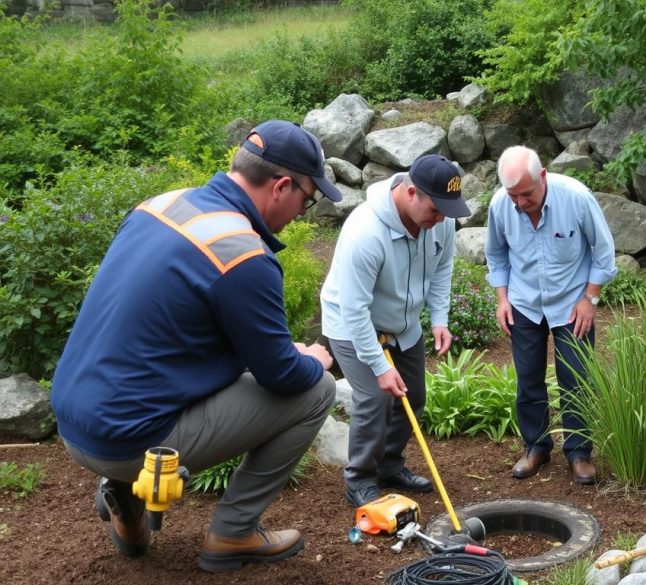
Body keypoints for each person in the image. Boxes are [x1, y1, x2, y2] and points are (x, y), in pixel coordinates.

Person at [50, 120, 342, 572]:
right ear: (282, 186)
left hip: (73, 421)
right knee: (315, 390)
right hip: (128, 442)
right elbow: (280, 375)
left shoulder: (161, 205)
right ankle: (234, 533)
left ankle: (126, 508)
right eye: (308, 198)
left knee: (154, 372)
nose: (305, 210)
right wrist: (310, 359)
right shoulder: (242, 253)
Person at [320, 154, 471, 507]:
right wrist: (379, 366)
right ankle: (359, 478)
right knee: (374, 399)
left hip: (402, 323)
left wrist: (439, 320)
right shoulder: (365, 233)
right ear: (411, 192)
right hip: (352, 323)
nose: (441, 219)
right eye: (436, 209)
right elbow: (355, 310)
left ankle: (388, 464)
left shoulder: (439, 220)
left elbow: (443, 268)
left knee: (413, 397)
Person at [484, 145, 617, 485]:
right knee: (528, 379)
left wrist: (590, 298)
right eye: (513, 195)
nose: (519, 203)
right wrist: (502, 298)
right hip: (524, 303)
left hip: (573, 303)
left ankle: (579, 453)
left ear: (542, 176)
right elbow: (496, 255)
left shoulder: (576, 198)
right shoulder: (501, 204)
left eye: (526, 194)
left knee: (576, 380)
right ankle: (536, 447)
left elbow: (604, 254)